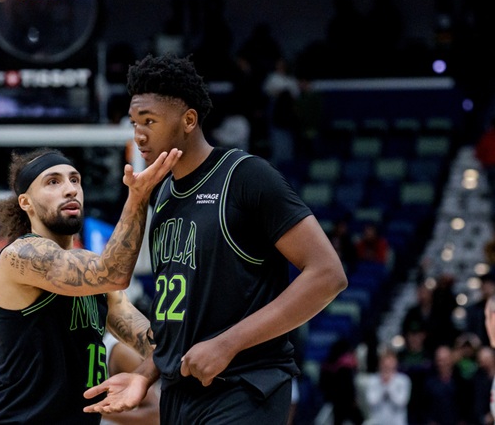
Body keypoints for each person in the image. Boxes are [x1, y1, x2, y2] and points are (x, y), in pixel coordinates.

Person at [83, 54, 348, 424]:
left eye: (149, 121)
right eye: (134, 123)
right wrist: (144, 374)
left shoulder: (245, 176)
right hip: (180, 392)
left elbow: (328, 274)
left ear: (189, 120)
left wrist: (228, 344)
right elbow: (180, 317)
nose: (139, 134)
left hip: (244, 386)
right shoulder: (163, 195)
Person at [0, 146, 181, 424]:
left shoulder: (90, 267)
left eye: (75, 180)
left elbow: (153, 343)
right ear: (26, 202)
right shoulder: (21, 255)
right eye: (53, 182)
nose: (70, 189)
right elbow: (112, 274)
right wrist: (138, 197)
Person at [363, 348, 412, 425]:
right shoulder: (373, 380)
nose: (387, 366)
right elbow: (371, 402)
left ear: (395, 364)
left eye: (390, 364)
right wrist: (382, 385)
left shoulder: (403, 380)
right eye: (385, 364)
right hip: (377, 422)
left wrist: (389, 384)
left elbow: (401, 403)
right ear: (380, 364)